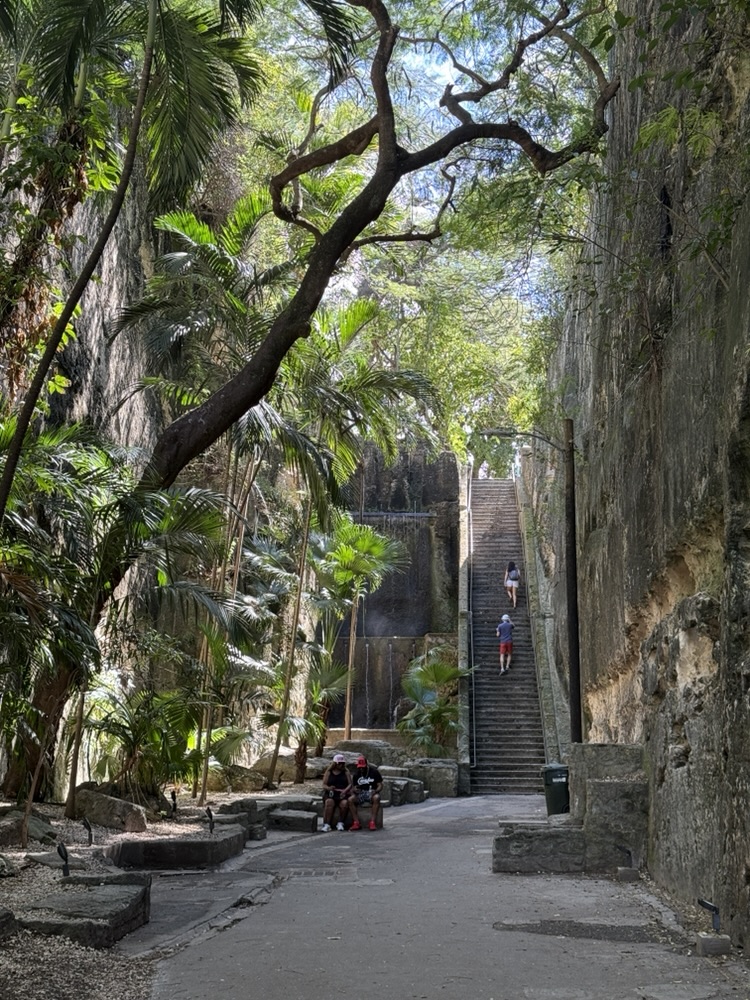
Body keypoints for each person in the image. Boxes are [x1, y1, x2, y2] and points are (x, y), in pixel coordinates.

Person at [348, 755, 383, 830]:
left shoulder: (374, 772)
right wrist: (355, 790)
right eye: (359, 767)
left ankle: (372, 822)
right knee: (350, 800)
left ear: (366, 765)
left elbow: (380, 785)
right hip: (361, 793)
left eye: (362, 767)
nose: (361, 769)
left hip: (371, 792)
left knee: (377, 798)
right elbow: (353, 787)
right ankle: (356, 822)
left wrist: (376, 791)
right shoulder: (356, 774)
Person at [321, 754, 352, 831]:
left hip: (342, 793)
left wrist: (345, 791)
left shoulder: (346, 772)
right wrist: (329, 788)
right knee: (329, 802)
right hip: (331, 793)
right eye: (339, 763)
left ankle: (341, 822)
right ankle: (327, 824)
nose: (341, 765)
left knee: (344, 804)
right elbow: (324, 784)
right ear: (335, 763)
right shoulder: (329, 772)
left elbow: (350, 784)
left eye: (342, 763)